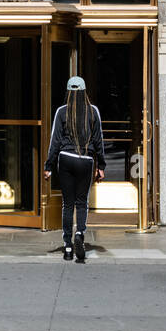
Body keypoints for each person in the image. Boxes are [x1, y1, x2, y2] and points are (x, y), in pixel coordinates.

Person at [44, 76, 106, 262]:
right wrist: (101, 166)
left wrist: (48, 166)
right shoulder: (93, 111)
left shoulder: (62, 112)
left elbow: (54, 141)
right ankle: (79, 233)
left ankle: (68, 246)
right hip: (85, 161)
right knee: (81, 202)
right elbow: (99, 141)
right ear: (84, 91)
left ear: (68, 92)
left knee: (67, 204)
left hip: (66, 159)